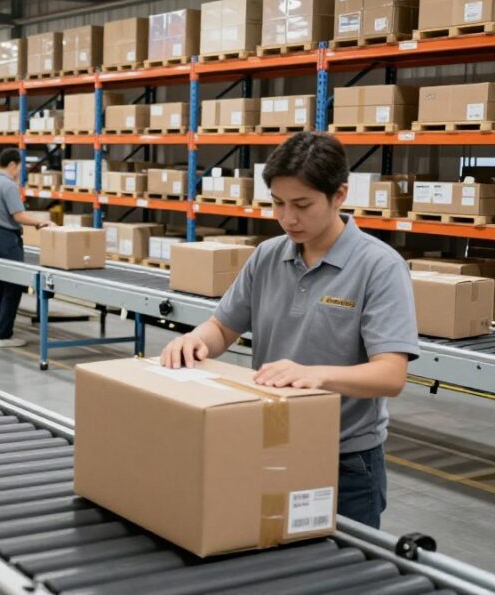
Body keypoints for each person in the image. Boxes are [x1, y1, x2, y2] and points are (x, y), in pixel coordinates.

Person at [160, 132, 419, 529]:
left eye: (302, 205)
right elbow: (222, 327)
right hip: (268, 443)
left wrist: (316, 375)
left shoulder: (378, 267)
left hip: (344, 461)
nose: (288, 218)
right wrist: (196, 340)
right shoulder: (267, 256)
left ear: (339, 195)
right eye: (278, 204)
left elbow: (391, 375)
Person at [0, 148, 51, 348]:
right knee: (13, 287)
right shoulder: (8, 186)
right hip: (7, 239)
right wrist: (40, 222)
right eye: (20, 167)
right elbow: (18, 216)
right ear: (12, 164)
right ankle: (3, 335)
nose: (20, 171)